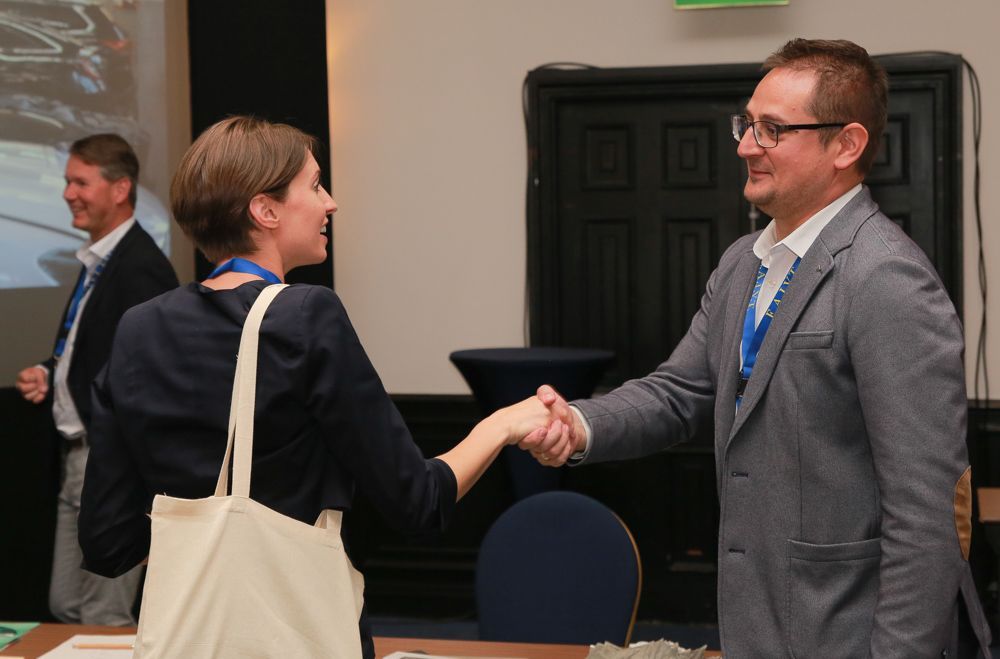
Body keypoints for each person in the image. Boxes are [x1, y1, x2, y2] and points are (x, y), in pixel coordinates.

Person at [522, 39, 992, 657]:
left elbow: (928, 515)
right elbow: (681, 391)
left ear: (846, 145)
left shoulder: (887, 279)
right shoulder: (744, 262)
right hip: (758, 627)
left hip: (848, 636)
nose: (746, 145)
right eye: (747, 124)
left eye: (772, 129)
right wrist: (578, 424)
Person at [76, 116, 563, 658]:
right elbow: (417, 501)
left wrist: (196, 537)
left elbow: (107, 544)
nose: (330, 203)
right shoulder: (305, 315)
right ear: (265, 210)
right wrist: (501, 424)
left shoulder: (138, 327)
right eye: (314, 185)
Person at [14, 134, 178, 626]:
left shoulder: (141, 268)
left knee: (104, 614)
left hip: (112, 461)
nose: (68, 194)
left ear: (120, 188)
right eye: (68, 182)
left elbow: (150, 376)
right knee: (66, 605)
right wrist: (51, 372)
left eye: (80, 182)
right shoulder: (100, 260)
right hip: (78, 457)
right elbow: (98, 347)